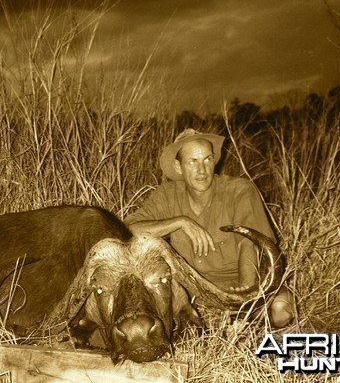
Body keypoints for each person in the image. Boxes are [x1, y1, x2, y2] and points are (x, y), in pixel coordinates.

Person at [124, 128, 294, 327]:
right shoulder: (166, 195)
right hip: (191, 288)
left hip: (239, 284)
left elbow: (250, 242)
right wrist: (181, 221)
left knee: (282, 309)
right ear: (178, 168)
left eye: (207, 159)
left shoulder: (239, 190)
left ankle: (243, 323)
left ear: (215, 161)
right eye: (192, 162)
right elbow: (128, 229)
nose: (202, 170)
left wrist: (245, 293)